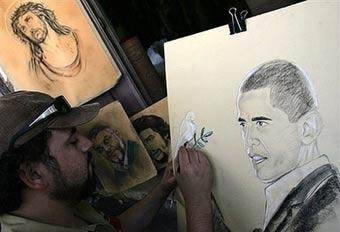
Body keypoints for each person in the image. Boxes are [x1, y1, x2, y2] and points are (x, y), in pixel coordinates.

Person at [0, 91, 213, 232]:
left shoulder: (58, 206)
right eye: (72, 142)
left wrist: (162, 188)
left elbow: (116, 228)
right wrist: (198, 202)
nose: (87, 144)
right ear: (33, 175)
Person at [237, 59, 340, 231]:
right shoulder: (302, 195)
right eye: (243, 125)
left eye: (261, 123)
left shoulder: (329, 211)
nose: (248, 141)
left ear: (308, 129)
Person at [11, 2, 81, 85]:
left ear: (42, 16)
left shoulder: (78, 37)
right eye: (23, 28)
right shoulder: (35, 68)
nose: (30, 29)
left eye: (29, 20)